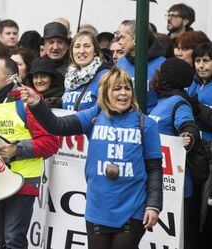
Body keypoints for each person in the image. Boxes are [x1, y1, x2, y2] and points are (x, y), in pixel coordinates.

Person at [20, 67, 163, 249]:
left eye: (127, 89)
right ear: (105, 93)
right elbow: (57, 126)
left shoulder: (146, 124)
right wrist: (36, 104)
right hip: (98, 208)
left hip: (133, 208)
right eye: (117, 89)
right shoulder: (95, 115)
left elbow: (154, 169)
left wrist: (153, 205)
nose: (123, 93)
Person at [0, 56, 59, 249]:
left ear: (10, 78)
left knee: (13, 240)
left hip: (23, 181)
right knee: (3, 240)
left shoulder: (28, 101)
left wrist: (16, 150)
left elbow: (52, 143)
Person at [148, 58, 203, 249]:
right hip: (160, 184)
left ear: (166, 79)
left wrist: (188, 136)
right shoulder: (162, 100)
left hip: (177, 188)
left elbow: (188, 126)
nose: (155, 75)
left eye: (160, 72)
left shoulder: (179, 102)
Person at [187, 42, 212, 249]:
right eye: (197, 60)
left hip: (210, 150)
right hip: (192, 150)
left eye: (206, 60)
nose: (201, 65)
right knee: (191, 204)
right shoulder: (192, 83)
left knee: (205, 206)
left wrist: (199, 108)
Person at [116, 19, 166, 113]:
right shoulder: (121, 63)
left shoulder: (162, 65)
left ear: (135, 38)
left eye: (122, 37)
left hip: (150, 120)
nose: (119, 42)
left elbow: (167, 99)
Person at [62, 30, 111, 111]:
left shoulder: (105, 75)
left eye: (87, 46)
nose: (81, 51)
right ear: (72, 51)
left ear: (95, 51)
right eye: (77, 46)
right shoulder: (69, 77)